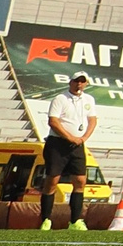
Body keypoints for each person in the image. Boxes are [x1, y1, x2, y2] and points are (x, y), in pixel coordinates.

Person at [38, 70, 97, 231]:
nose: (79, 84)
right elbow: (53, 121)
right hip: (58, 144)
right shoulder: (60, 98)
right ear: (70, 82)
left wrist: (83, 138)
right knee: (53, 180)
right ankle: (46, 219)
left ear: (86, 83)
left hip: (77, 145)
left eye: (82, 81)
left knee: (80, 181)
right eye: (76, 81)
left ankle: (75, 220)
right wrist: (69, 137)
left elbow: (92, 120)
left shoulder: (89, 99)